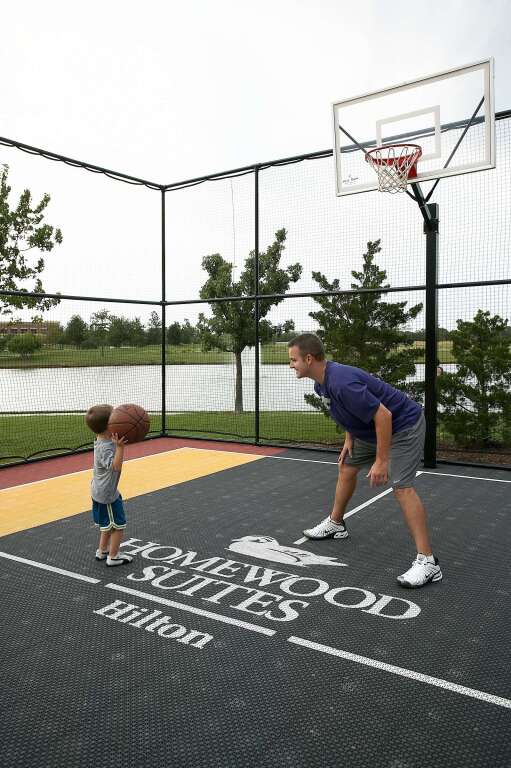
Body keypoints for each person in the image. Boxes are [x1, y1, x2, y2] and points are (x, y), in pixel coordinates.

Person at [287, 333, 442, 589]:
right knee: (347, 466)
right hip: (370, 431)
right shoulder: (321, 384)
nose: (291, 365)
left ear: (309, 358)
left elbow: (384, 416)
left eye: (293, 360)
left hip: (404, 426)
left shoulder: (341, 382)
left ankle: (428, 562)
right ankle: (336, 524)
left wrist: (381, 461)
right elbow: (347, 411)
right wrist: (350, 437)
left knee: (401, 487)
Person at [85, 404, 134, 567]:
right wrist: (120, 447)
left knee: (107, 524)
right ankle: (113, 557)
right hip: (106, 494)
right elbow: (115, 466)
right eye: (115, 418)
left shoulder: (102, 438)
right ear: (109, 426)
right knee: (117, 525)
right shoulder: (105, 448)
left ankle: (102, 550)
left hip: (100, 489)